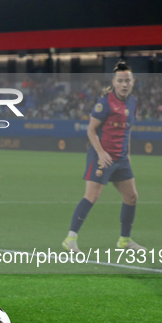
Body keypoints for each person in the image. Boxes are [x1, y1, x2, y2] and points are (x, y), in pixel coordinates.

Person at [63, 61, 147, 253]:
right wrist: (101, 153)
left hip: (121, 158)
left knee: (132, 197)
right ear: (114, 82)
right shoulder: (105, 103)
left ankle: (124, 240)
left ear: (133, 82)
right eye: (121, 81)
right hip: (102, 156)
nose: (124, 84)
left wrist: (128, 155)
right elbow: (91, 130)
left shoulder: (133, 103)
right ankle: (70, 239)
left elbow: (128, 130)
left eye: (128, 80)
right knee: (92, 196)